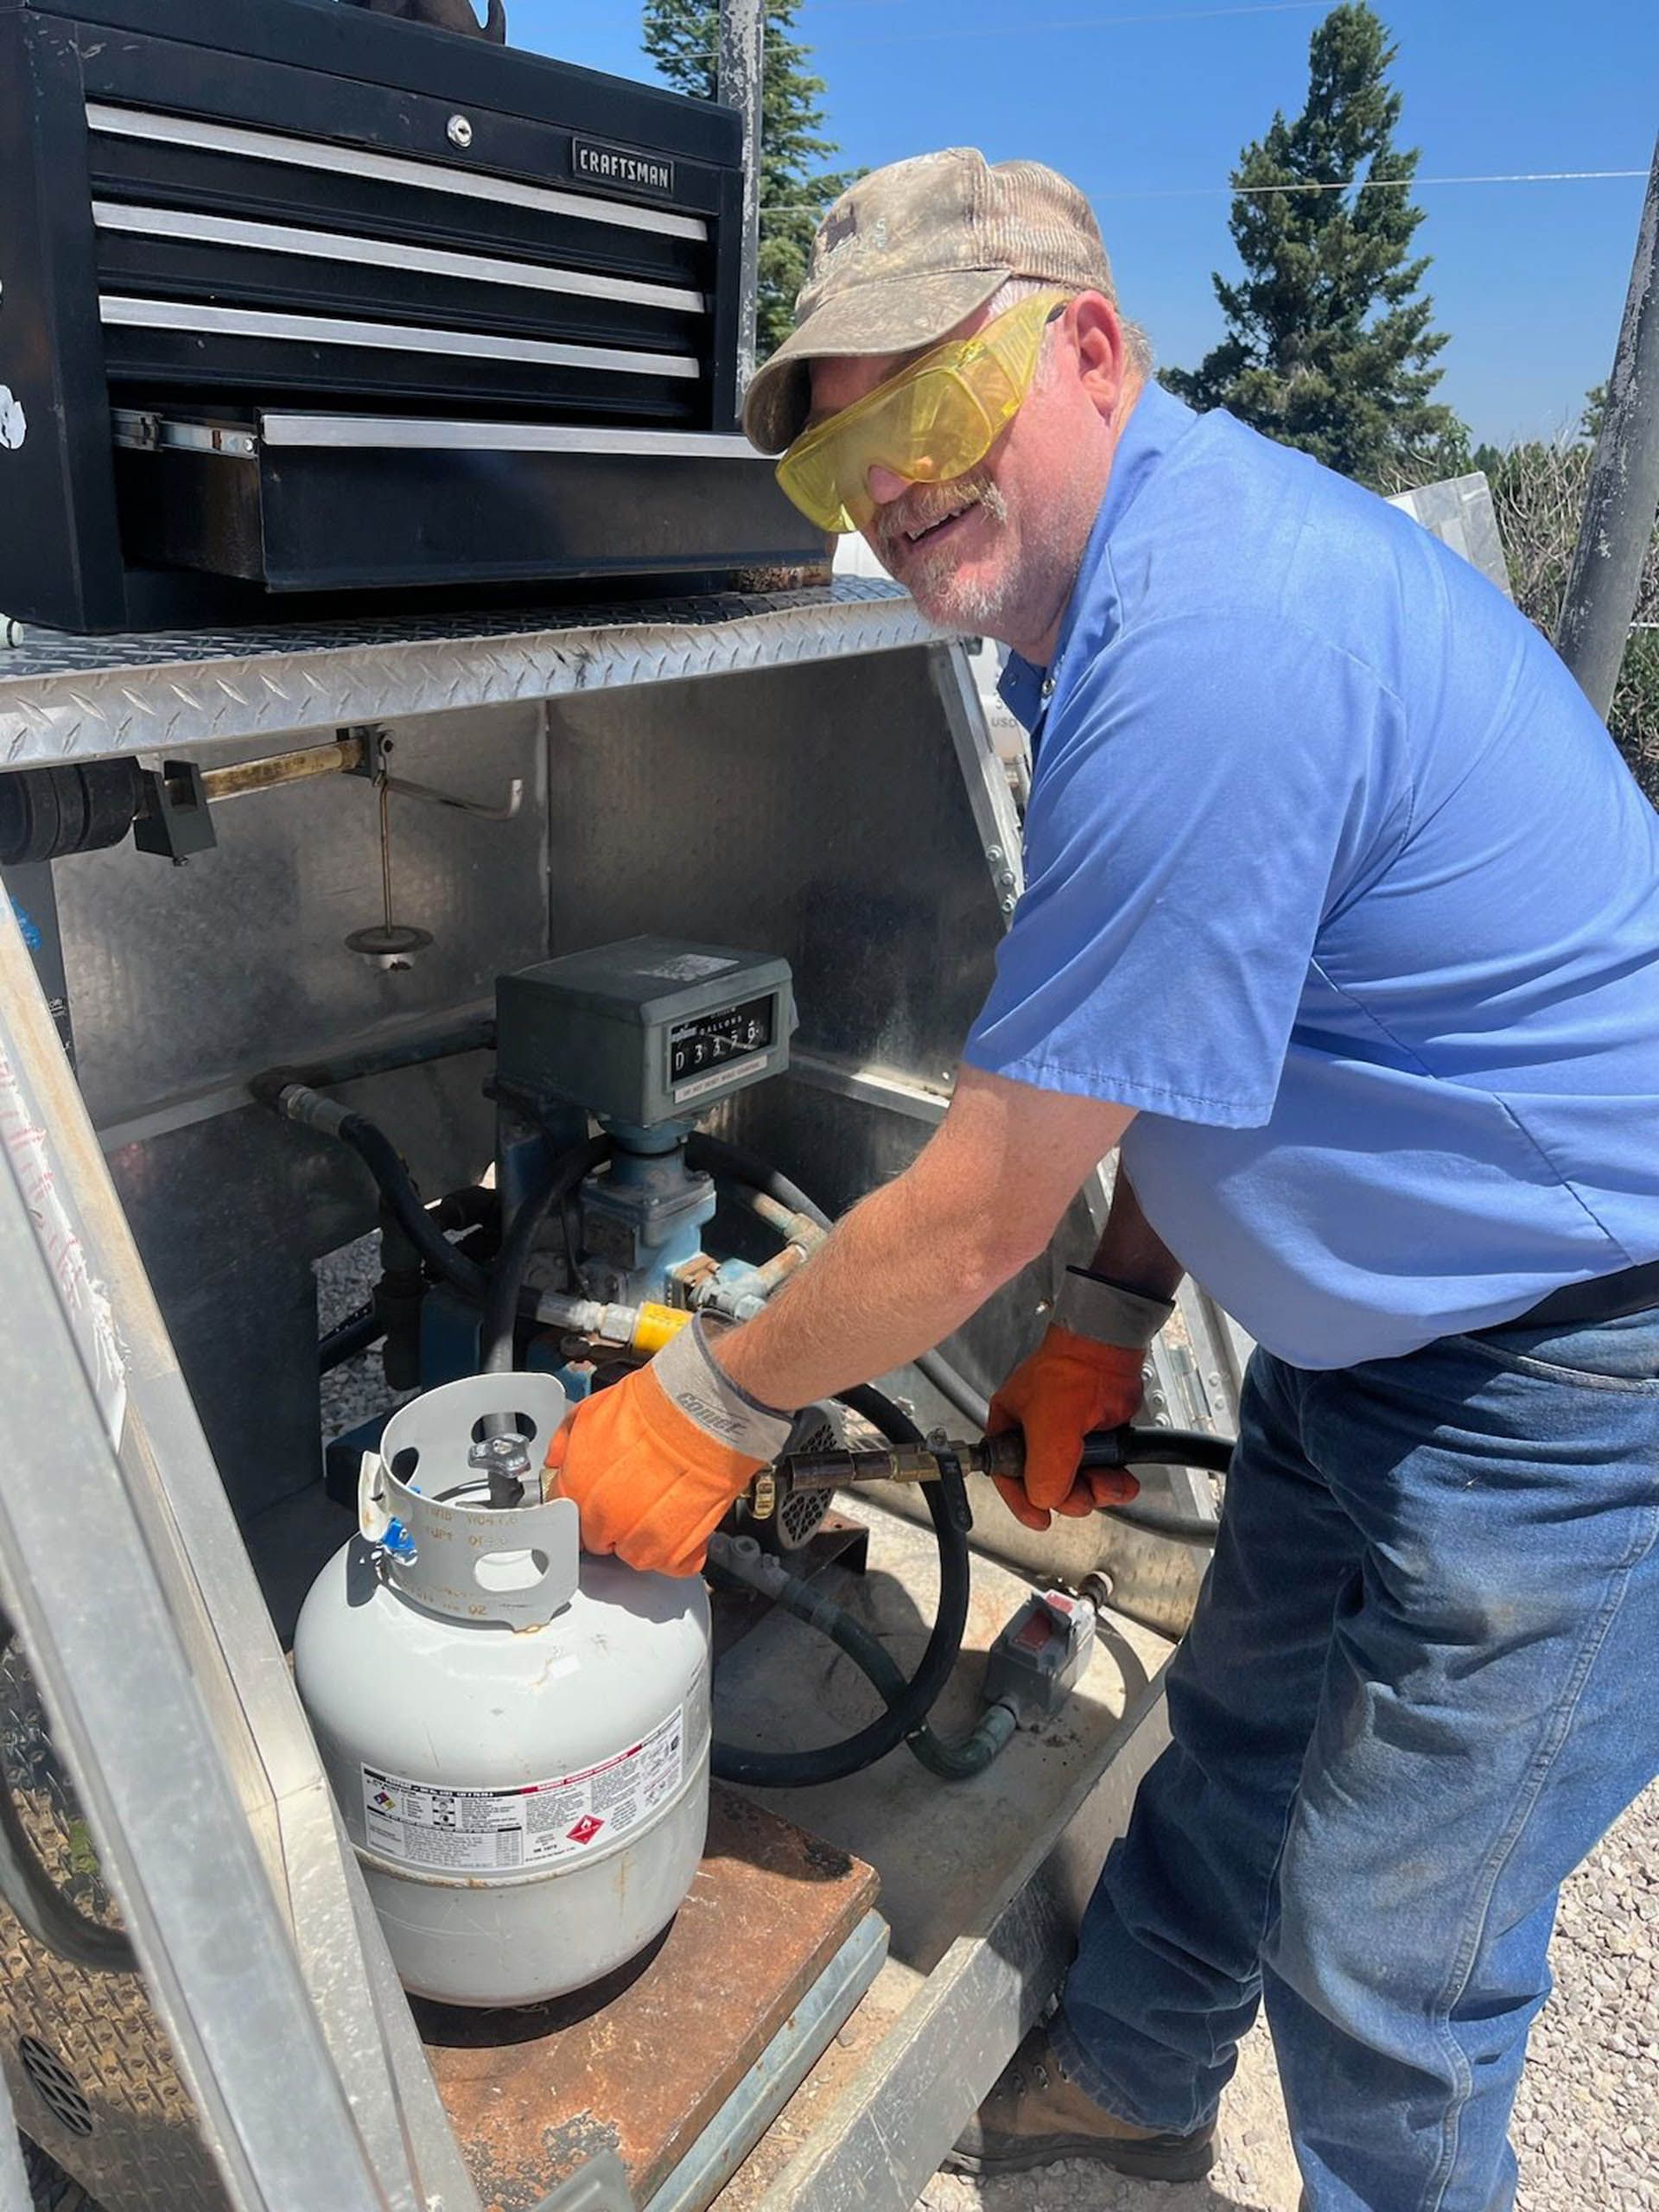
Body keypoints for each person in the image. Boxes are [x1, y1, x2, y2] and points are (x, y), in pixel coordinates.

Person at [544, 148, 1659, 2210]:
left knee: (1396, 1959)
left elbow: (975, 1191)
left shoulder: (1217, 637)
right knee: (1240, 1745)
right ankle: (1121, 2098)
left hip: (1575, 1374)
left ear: (1089, 347)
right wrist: (1112, 1316)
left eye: (927, 409)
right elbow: (1200, 1059)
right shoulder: (1112, 611)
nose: (884, 484)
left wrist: (710, 1402)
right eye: (833, 461)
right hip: (1378, 1345)